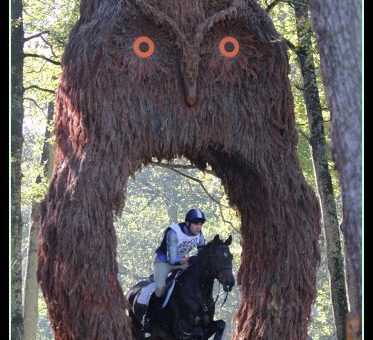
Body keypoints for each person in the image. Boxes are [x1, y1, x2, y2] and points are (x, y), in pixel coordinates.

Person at [142, 208, 206, 334]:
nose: (199, 227)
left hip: (181, 261)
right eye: (196, 224)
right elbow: (172, 259)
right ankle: (148, 318)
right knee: (160, 289)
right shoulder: (173, 232)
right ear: (188, 223)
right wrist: (189, 259)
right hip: (163, 262)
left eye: (200, 224)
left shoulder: (199, 233)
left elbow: (202, 251)